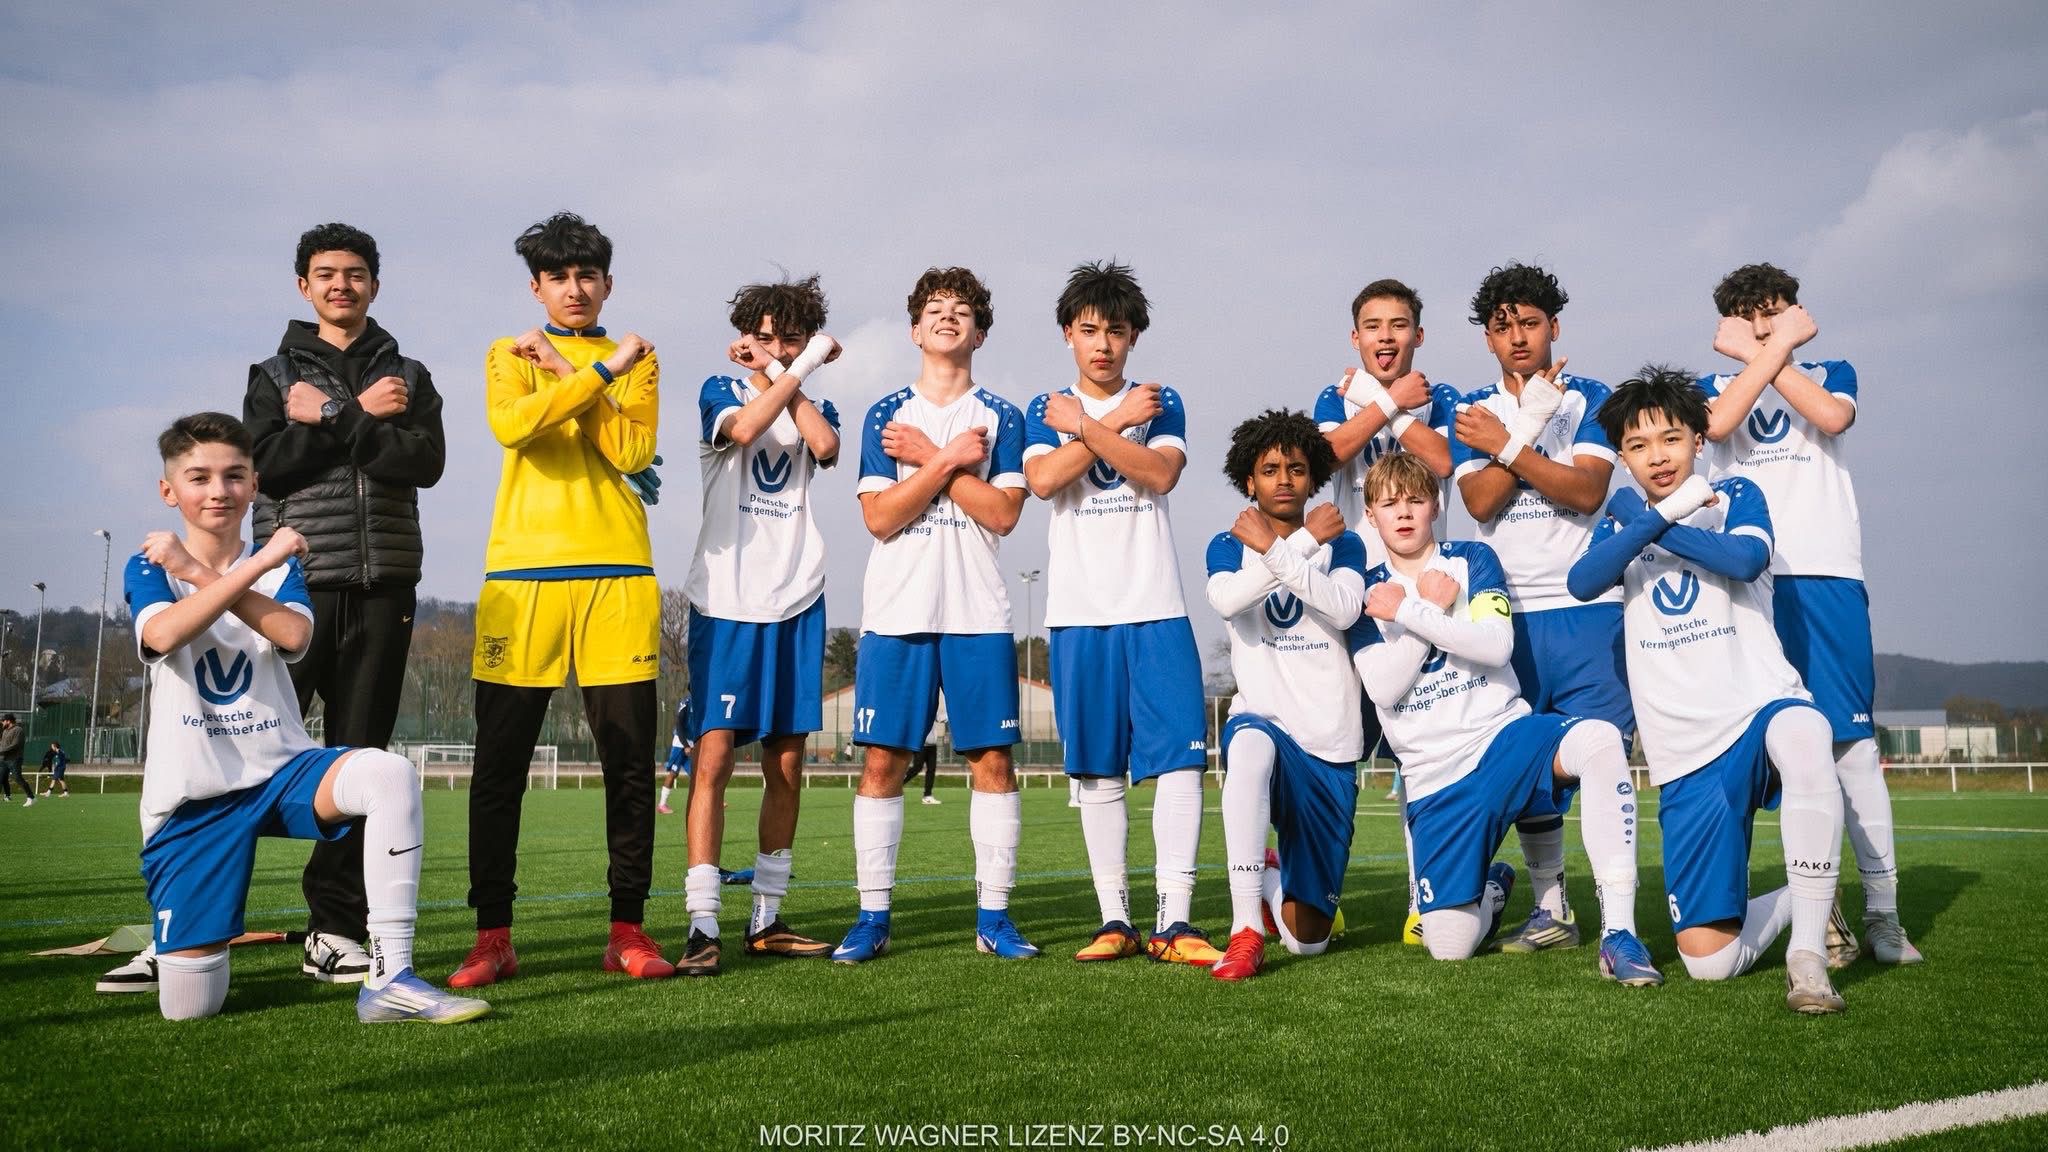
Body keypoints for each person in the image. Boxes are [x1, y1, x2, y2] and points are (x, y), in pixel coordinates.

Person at [124, 412, 484, 1023]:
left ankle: (390, 978)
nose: (218, 490)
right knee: (191, 1008)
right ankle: (175, 945)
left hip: (281, 772)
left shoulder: (279, 566)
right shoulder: (150, 566)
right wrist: (216, 567)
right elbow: (162, 634)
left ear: (255, 483)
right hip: (194, 799)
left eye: (234, 475)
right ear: (169, 490)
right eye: (199, 477)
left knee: (389, 774)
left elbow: (293, 634)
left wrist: (213, 569)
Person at [1568, 366, 1848, 1013]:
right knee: (1710, 963)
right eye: (1638, 446)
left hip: (1757, 710)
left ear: (1699, 439)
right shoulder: (1622, 525)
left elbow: (1745, 560)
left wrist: (1652, 520)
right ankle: (1806, 894)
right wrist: (1654, 518)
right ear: (1623, 457)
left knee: (1807, 733)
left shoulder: (1735, 495)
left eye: (1671, 438)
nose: (1658, 456)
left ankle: (1808, 957)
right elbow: (1582, 583)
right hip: (1685, 753)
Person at [451, 212, 668, 987]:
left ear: (607, 283)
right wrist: (600, 374)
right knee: (498, 768)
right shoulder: (509, 353)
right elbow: (514, 428)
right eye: (558, 278)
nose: (574, 289)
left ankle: (627, 931)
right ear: (536, 288)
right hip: (522, 578)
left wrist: (579, 374)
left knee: (628, 765)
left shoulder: (641, 358)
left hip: (618, 574)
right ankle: (492, 937)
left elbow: (632, 450)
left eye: (587, 276)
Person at [1354, 452, 1655, 984]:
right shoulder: (1360, 591)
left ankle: (1619, 932)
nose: (1403, 513)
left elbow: (1495, 647)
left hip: (1502, 738)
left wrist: (1408, 613)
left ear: (1436, 506)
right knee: (1449, 947)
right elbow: (1383, 687)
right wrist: (1428, 610)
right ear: (1371, 514)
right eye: (1389, 503)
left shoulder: (1473, 558)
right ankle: (1493, 889)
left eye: (1416, 500)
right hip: (1434, 778)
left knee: (1600, 739)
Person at [238, 221, 446, 987]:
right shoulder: (271, 375)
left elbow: (424, 463)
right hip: (293, 589)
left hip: (385, 584)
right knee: (247, 752)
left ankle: (333, 930)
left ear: (374, 285)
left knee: (360, 760)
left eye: (355, 273)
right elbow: (267, 469)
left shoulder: (410, 376)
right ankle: (196, 920)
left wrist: (330, 414)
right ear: (304, 286)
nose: (341, 285)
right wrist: (360, 415)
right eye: (326, 273)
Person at [1699, 264, 1919, 967]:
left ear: (1797, 311)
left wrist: (1764, 353)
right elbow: (1717, 424)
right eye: (1749, 316)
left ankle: (1883, 912)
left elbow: (1830, 417)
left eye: (1775, 311)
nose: (1764, 325)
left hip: (1825, 577)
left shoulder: (1831, 371)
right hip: (1746, 580)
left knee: (1850, 748)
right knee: (1753, 750)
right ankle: (1791, 913)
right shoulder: (1713, 385)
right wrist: (1761, 355)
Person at [833, 266, 1036, 964]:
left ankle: (994, 918)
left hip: (977, 611)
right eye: (935, 309)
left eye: (963, 310)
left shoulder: (1003, 416)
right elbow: (881, 518)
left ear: (980, 332)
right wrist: (947, 459)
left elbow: (1002, 514)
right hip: (898, 610)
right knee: (883, 761)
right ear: (915, 330)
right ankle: (872, 918)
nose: (948, 317)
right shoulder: (886, 415)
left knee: (993, 760)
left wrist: (927, 461)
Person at [1023, 261, 1218, 967]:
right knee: (1098, 772)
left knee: (1180, 764)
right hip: (1080, 613)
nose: (1102, 344)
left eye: (1115, 330)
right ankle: (1115, 919)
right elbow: (1043, 480)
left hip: (1156, 606)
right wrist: (1108, 423)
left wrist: (1088, 426)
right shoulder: (1044, 407)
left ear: (1134, 335)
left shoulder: (1160, 402)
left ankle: (1175, 919)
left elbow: (1159, 474)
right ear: (1067, 334)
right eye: (1088, 330)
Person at [1449, 262, 1631, 954]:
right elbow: (1481, 502)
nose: (1518, 337)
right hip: (1507, 615)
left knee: (1604, 756)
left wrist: (1506, 446)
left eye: (1530, 323)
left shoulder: (1591, 397)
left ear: (1554, 326)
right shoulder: (1471, 409)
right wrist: (1521, 432)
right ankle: (1551, 908)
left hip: (1588, 609)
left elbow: (1585, 492)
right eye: (1504, 327)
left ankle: (1619, 919)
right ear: (1488, 339)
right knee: (1531, 762)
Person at [676, 275, 844, 975]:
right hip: (726, 601)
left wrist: (787, 373)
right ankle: (702, 923)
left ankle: (767, 919)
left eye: (790, 338)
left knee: (787, 765)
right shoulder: (720, 389)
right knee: (714, 759)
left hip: (796, 599)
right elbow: (744, 430)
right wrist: (793, 366)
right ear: (744, 337)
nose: (775, 347)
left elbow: (825, 445)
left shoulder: (812, 403)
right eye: (765, 336)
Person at [1312, 277, 1459, 948]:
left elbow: (1442, 460)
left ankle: (1421, 899)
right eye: (1373, 326)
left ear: (1418, 335)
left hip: (1423, 594)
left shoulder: (1441, 396)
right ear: (1355, 337)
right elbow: (1327, 457)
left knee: (1418, 757)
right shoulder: (1334, 397)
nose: (1386, 336)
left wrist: (1392, 408)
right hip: (1350, 597)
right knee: (1338, 754)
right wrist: (1385, 402)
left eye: (1399, 324)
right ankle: (1320, 895)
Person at [1205, 410, 1366, 981]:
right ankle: (1245, 928)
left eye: (1296, 469)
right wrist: (1300, 543)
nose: (1283, 480)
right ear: (1248, 481)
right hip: (1264, 721)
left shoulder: (1343, 544)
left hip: (1329, 743)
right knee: (1248, 746)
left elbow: (1344, 609)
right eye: (1270, 469)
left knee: (1308, 941)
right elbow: (1229, 602)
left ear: (1312, 477)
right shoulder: (1228, 545)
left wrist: (1293, 546)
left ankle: (1271, 876)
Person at [657, 695, 692, 814]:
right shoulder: (686, 703)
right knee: (673, 773)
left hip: (691, 743)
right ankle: (662, 805)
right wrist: (685, 745)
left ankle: (710, 801)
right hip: (680, 744)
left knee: (697, 774)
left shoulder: (701, 702)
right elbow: (679, 724)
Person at [907, 716, 944, 804]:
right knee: (917, 767)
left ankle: (928, 795)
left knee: (931, 770)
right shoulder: (918, 712)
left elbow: (941, 718)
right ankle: (898, 783)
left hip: (932, 745)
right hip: (920, 744)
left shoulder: (933, 711)